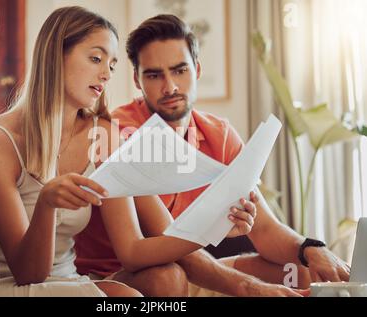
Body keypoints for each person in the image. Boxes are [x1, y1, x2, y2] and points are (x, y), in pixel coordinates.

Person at [0, 7, 255, 297]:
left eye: (112, 64)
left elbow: (132, 251)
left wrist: (215, 227)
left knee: (166, 279)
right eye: (96, 58)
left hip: (66, 282)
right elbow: (29, 275)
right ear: (55, 56)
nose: (106, 73)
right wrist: (45, 206)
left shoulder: (104, 135)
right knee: (126, 299)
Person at [74, 14, 350, 297]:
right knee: (167, 277)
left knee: (301, 272)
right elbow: (171, 247)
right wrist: (251, 288)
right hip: (126, 277)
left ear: (197, 69)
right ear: (137, 79)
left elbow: (265, 230)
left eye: (180, 70)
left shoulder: (220, 135)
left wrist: (311, 248)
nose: (170, 87)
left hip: (197, 270)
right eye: (154, 75)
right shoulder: (117, 133)